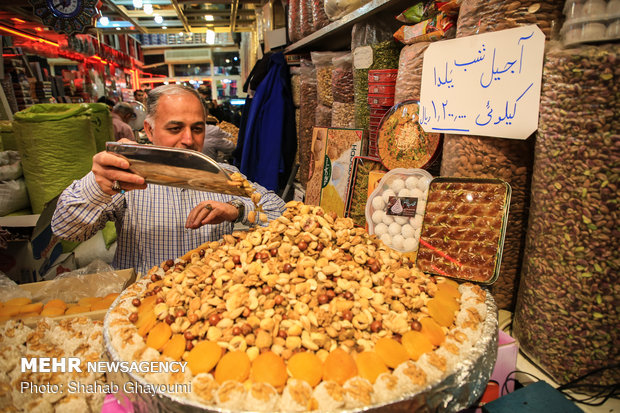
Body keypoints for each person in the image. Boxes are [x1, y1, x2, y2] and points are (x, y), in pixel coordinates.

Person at [51, 84, 286, 274]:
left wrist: (236, 209)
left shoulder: (223, 175)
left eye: (197, 128)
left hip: (206, 302)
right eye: (175, 128)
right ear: (150, 130)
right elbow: (65, 230)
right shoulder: (127, 176)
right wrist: (98, 187)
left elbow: (283, 213)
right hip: (141, 302)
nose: (188, 139)